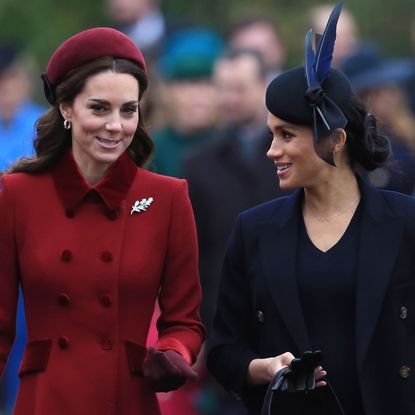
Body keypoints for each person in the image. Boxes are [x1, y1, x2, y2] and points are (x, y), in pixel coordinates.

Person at [207, 4, 415, 415]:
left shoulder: (406, 221)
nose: (272, 150)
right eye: (271, 134)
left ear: (334, 140)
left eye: (287, 135)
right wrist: (264, 368)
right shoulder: (255, 231)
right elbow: (224, 350)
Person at [0, 27, 205, 415]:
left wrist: (172, 352)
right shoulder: (18, 194)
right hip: (46, 400)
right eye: (99, 108)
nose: (116, 125)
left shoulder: (168, 197)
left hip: (128, 400)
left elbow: (185, 321)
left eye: (128, 110)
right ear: (66, 108)